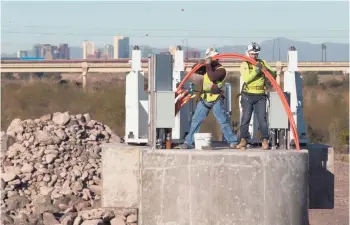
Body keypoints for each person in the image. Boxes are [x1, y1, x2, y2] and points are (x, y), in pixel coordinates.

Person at [175, 48, 239, 149]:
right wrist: (198, 64)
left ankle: (233, 141)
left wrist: (208, 65)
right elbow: (194, 72)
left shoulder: (221, 70)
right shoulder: (206, 67)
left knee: (222, 120)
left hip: (216, 99)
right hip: (205, 98)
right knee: (196, 120)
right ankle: (188, 142)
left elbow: (212, 77)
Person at [236, 42, 280, 150]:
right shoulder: (245, 64)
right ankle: (243, 140)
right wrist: (257, 70)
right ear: (248, 53)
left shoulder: (262, 62)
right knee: (245, 118)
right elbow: (247, 79)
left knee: (262, 119)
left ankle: (265, 140)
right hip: (247, 95)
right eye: (252, 54)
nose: (254, 56)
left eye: (256, 54)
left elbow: (273, 75)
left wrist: (266, 69)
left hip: (260, 95)